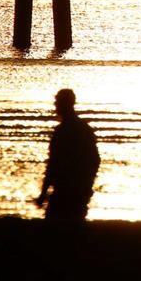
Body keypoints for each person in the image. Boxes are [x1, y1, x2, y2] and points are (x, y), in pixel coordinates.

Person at [34, 89, 100, 222]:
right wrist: (87, 185)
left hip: (66, 190)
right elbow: (95, 161)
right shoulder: (84, 129)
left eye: (57, 102)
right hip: (78, 190)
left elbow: (53, 164)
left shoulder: (62, 131)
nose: (55, 105)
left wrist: (43, 193)